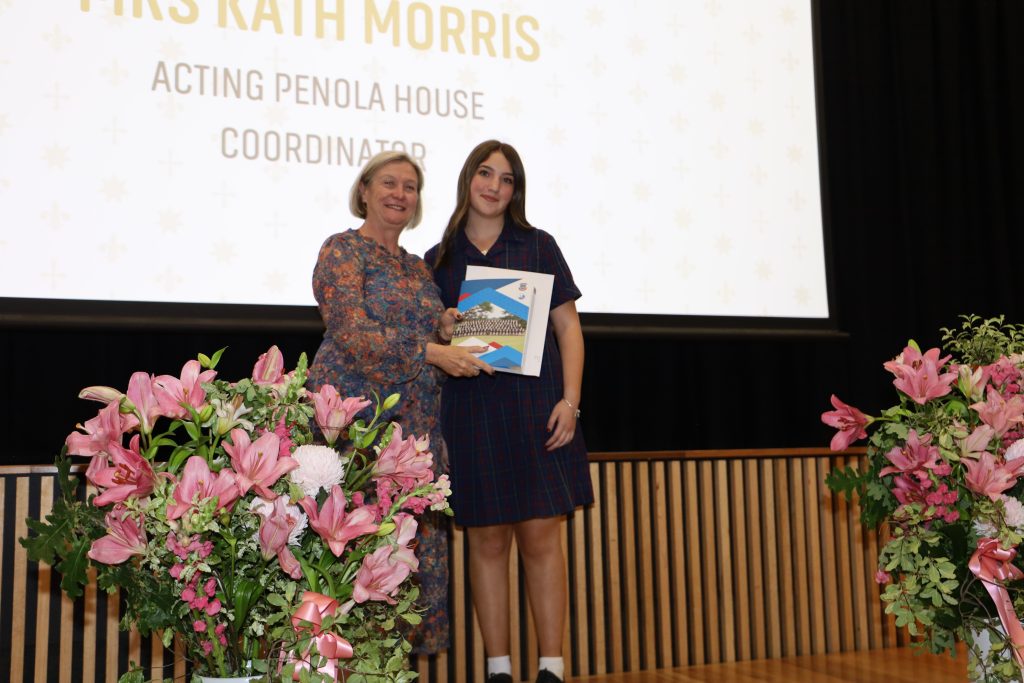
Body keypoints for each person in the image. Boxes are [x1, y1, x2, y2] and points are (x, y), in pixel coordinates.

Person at [307, 150, 493, 655]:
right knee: (355, 561)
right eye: (389, 183)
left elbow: (421, 329)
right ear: (364, 191)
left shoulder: (417, 266)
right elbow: (352, 328)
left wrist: (446, 326)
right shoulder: (342, 250)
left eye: (410, 187)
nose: (400, 194)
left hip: (415, 438)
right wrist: (432, 351)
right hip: (357, 434)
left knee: (407, 566)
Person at [426, 141, 594, 683]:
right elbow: (431, 340)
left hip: (538, 409)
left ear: (515, 191)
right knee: (486, 540)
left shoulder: (538, 245)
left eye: (506, 179)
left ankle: (551, 669)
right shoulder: (438, 257)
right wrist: (443, 327)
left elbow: (569, 330)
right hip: (470, 413)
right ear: (468, 180)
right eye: (485, 173)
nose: (494, 186)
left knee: (542, 540)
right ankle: (498, 670)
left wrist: (570, 402)